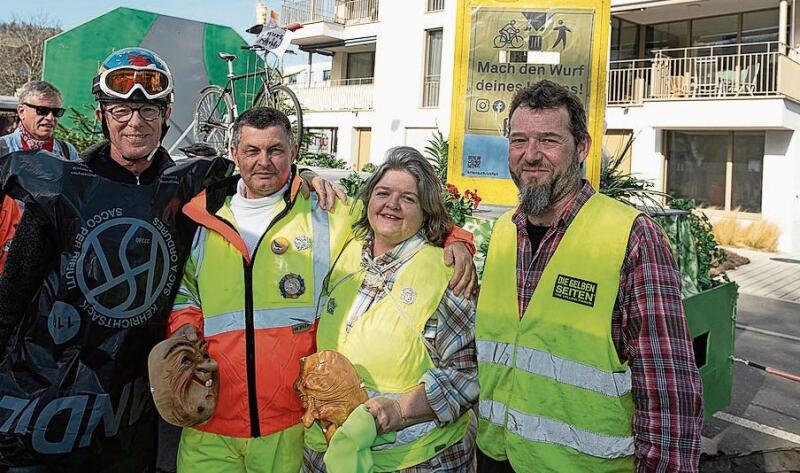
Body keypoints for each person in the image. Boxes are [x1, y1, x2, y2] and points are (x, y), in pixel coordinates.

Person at [168, 110, 476, 472]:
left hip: (288, 428)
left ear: (294, 151)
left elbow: (398, 216)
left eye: (276, 150)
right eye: (251, 150)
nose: (263, 162)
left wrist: (457, 241)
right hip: (211, 422)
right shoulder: (204, 217)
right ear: (234, 152)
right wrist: (183, 339)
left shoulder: (327, 212)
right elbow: (188, 292)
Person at [0, 47, 235, 471]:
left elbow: (258, 182)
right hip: (43, 398)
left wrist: (303, 180)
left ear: (166, 115)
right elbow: (13, 293)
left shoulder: (187, 185)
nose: (135, 122)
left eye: (148, 110)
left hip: (130, 410)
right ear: (103, 114)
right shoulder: (61, 186)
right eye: (122, 110)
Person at [475, 80, 703, 472]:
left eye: (549, 140)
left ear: (581, 148)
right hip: (498, 457)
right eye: (518, 140)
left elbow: (669, 395)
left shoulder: (633, 237)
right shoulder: (502, 234)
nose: (530, 155)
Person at [301, 146, 478, 473]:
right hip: (330, 455)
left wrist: (398, 411)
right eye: (383, 193)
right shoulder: (346, 251)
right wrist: (308, 175)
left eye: (408, 199)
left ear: (426, 211)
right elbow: (286, 174)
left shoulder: (445, 274)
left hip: (416, 460)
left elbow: (465, 378)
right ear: (368, 200)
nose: (392, 205)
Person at [0, 80, 79, 272]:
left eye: (56, 112)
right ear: (21, 111)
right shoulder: (2, 150)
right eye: (42, 110)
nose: (50, 118)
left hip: (50, 257)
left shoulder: (67, 153)